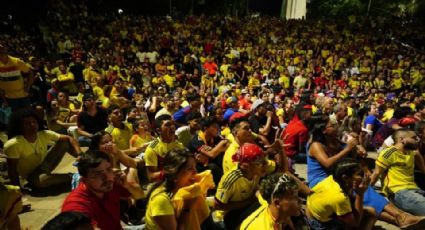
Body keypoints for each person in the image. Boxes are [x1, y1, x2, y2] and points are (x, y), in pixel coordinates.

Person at [307, 115, 424, 228]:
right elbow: (327, 163)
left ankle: (400, 219)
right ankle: (401, 216)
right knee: (363, 191)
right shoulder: (316, 145)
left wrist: (358, 148)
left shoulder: (335, 140)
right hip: (321, 180)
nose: (336, 126)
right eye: (332, 125)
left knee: (364, 192)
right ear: (323, 130)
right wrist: (347, 149)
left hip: (338, 175)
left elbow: (347, 155)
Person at [62, 150, 143, 230]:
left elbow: (139, 195)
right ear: (84, 180)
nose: (107, 177)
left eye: (108, 169)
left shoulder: (111, 183)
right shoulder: (76, 203)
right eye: (97, 174)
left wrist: (127, 185)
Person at [5, 108, 81, 189]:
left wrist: (80, 154)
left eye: (34, 122)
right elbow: (12, 171)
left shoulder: (43, 134)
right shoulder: (13, 144)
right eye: (27, 123)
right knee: (41, 181)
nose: (32, 125)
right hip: (31, 175)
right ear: (19, 127)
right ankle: (75, 177)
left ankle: (86, 165)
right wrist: (18, 190)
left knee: (64, 142)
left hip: (44, 165)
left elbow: (69, 138)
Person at [145, 148, 214, 230]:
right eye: (189, 169)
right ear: (174, 175)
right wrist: (187, 206)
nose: (195, 172)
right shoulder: (161, 200)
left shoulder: (183, 190)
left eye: (195, 167)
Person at [306, 159, 374, 230]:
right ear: (345, 178)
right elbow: (355, 223)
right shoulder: (340, 197)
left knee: (366, 211)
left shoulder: (331, 179)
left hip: (314, 214)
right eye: (361, 174)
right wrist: (360, 194)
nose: (366, 176)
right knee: (371, 214)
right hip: (320, 224)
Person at [371, 128, 425, 216]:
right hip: (398, 192)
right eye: (414, 138)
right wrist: (365, 192)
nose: (417, 140)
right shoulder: (389, 153)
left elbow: (418, 156)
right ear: (402, 139)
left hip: (415, 189)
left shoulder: (411, 152)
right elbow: (376, 173)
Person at [144, 114, 184, 182]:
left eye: (173, 124)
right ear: (159, 130)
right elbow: (151, 177)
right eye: (168, 125)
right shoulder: (152, 148)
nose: (172, 127)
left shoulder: (179, 145)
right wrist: (170, 171)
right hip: (163, 184)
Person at [0, 41, 34, 111]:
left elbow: (30, 73)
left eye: (3, 46)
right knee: (15, 120)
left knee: (27, 117)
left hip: (23, 96)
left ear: (6, 48)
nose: (1, 48)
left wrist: (27, 87)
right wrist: (3, 100)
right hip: (8, 98)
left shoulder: (17, 61)